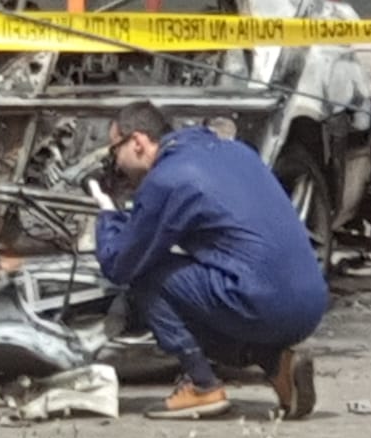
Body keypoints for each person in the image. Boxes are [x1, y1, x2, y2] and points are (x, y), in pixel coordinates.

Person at [90, 101, 327, 420]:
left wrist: (107, 212)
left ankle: (202, 385)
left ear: (138, 142)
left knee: (147, 280)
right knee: (204, 288)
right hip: (311, 301)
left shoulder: (167, 179)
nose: (115, 164)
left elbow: (120, 264)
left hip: (263, 301)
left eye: (114, 151)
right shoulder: (236, 152)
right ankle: (276, 364)